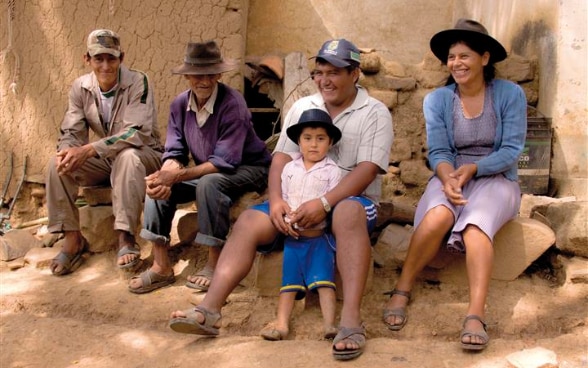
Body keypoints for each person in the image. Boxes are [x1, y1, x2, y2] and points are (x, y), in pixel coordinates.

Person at [169, 38, 394, 361]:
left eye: (335, 72)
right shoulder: (303, 107)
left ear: (355, 73)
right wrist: (276, 201)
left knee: (346, 213)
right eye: (319, 72)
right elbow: (280, 160)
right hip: (296, 202)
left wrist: (325, 203)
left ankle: (351, 321)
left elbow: (367, 170)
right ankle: (209, 310)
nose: (325, 80)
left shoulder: (374, 112)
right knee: (249, 219)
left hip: (351, 202)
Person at [382, 19, 527, 351]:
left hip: (496, 177)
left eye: (465, 56)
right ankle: (402, 287)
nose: (457, 63)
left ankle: (476, 312)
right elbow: (439, 150)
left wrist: (474, 168)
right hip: (452, 174)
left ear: (484, 59)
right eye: (451, 57)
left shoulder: (509, 94)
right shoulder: (437, 100)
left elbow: (511, 150)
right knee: (437, 217)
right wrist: (447, 176)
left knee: (476, 225)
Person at [128, 40, 271, 294]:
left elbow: (223, 162)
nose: (203, 81)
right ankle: (161, 266)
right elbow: (174, 151)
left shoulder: (233, 104)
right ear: (187, 76)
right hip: (215, 168)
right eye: (196, 74)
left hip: (250, 168)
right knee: (158, 184)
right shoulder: (179, 106)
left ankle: (215, 264)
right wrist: (167, 173)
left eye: (209, 74)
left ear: (218, 74)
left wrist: (178, 175)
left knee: (209, 182)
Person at [47, 29, 162, 276]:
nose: (106, 66)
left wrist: (89, 149)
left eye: (111, 58)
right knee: (56, 163)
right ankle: (72, 238)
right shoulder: (80, 87)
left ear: (121, 58)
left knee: (128, 156)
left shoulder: (138, 81)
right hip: (108, 158)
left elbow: (137, 133)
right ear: (87, 59)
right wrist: (68, 150)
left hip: (145, 156)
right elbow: (72, 130)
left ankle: (125, 237)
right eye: (99, 59)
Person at [259, 108, 342, 342]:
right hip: (294, 240)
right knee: (288, 285)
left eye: (320, 139)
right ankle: (282, 325)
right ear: (298, 141)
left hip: (319, 239)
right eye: (307, 138)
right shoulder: (289, 169)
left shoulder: (332, 171)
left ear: (331, 142)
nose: (313, 144)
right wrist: (286, 220)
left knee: (325, 283)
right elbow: (282, 197)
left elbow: (331, 203)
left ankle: (329, 325)